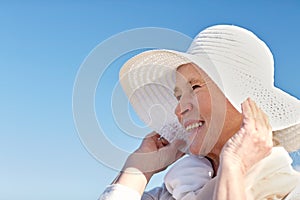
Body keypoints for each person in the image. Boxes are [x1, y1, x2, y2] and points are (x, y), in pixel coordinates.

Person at [99, 25, 300, 199]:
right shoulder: (174, 191)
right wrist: (140, 167)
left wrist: (234, 167)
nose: (179, 109)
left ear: (247, 101)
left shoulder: (291, 190)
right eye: (178, 96)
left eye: (195, 87)